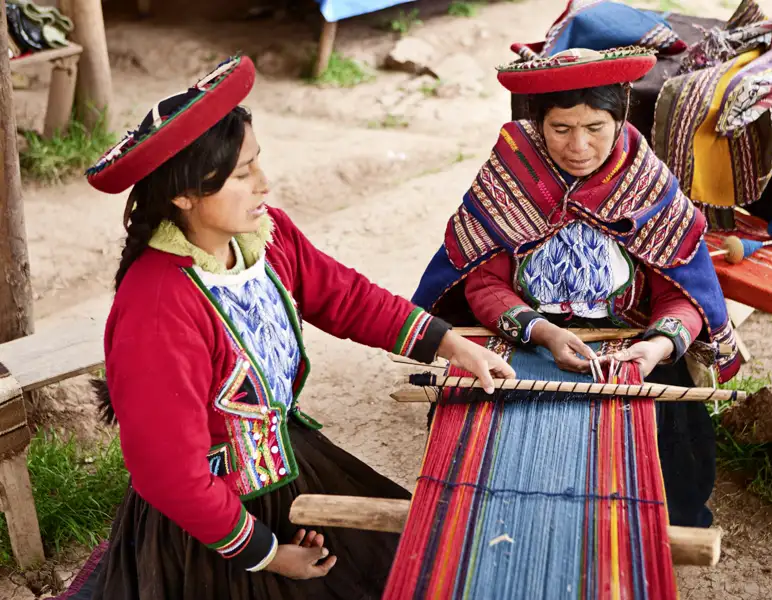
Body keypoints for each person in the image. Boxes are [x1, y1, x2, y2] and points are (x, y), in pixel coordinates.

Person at [59, 55, 514, 600]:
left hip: (285, 463)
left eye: (259, 163)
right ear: (183, 194)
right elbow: (171, 476)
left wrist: (451, 344)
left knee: (414, 566)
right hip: (209, 524)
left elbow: (344, 296)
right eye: (242, 174)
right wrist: (271, 555)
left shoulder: (265, 239)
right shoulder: (158, 306)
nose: (264, 184)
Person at [412, 47, 742, 528]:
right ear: (537, 123)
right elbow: (483, 280)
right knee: (471, 437)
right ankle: (498, 526)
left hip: (628, 340)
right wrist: (542, 332)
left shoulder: (646, 185)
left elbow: (682, 292)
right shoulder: (511, 176)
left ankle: (649, 532)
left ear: (620, 118)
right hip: (527, 335)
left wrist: (654, 348)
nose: (578, 147)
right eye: (561, 129)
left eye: (595, 129)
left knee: (674, 448)